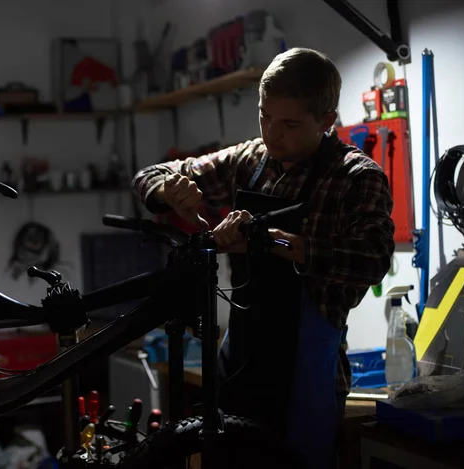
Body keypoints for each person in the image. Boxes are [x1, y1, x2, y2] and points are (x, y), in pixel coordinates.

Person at [131, 47, 395, 468]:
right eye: (264, 116)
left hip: (307, 371)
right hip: (240, 359)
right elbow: (149, 176)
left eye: (290, 124)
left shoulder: (355, 177)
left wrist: (270, 241)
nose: (273, 134)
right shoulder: (250, 160)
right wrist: (170, 191)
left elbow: (371, 258)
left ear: (326, 121)